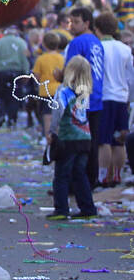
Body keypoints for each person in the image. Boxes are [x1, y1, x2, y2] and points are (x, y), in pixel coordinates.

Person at [47, 57, 97, 220]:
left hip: (68, 137)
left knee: (62, 174)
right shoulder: (84, 90)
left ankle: (61, 209)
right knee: (79, 173)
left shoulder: (64, 91)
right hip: (84, 137)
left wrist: (52, 131)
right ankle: (87, 207)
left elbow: (58, 112)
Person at [66, 7, 107, 191]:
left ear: (87, 23)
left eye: (76, 22)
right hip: (97, 96)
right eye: (70, 21)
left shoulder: (77, 42)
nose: (72, 25)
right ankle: (91, 181)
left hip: (81, 97)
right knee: (92, 142)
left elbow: (69, 72)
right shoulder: (97, 42)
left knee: (76, 143)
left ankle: (76, 185)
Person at [96, 12, 134, 187]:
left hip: (103, 97)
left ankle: (103, 176)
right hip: (121, 98)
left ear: (97, 29)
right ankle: (117, 174)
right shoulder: (125, 49)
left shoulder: (97, 47)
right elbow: (130, 77)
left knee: (103, 141)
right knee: (119, 141)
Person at [0, 26, 31, 127]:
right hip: (17, 73)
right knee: (14, 97)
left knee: (1, 95)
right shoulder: (21, 42)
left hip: (2, 73)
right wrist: (26, 73)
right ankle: (12, 118)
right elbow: (24, 59)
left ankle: (1, 114)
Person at [31, 30, 66, 137]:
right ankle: (59, 139)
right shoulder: (62, 58)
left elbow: (36, 76)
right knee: (59, 117)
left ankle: (48, 140)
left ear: (44, 44)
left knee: (47, 118)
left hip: (45, 92)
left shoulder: (41, 59)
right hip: (60, 91)